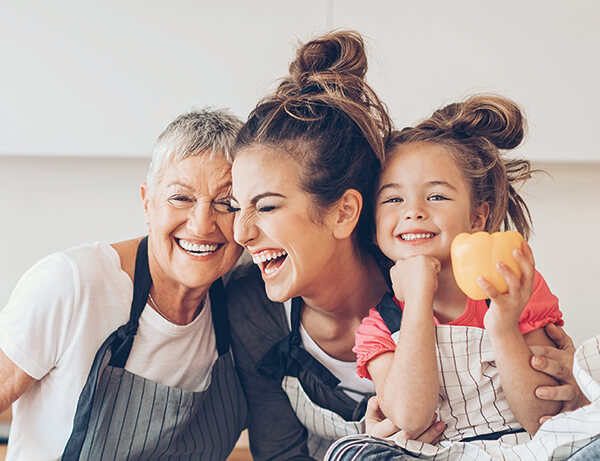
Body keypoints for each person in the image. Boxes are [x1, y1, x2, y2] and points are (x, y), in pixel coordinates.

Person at [325, 96, 600, 460]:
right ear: (373, 229)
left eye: (436, 196)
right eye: (392, 200)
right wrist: (419, 300)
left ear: (477, 218)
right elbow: (410, 417)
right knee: (349, 453)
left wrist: (503, 326)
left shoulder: (514, 286)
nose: (414, 212)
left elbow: (543, 418)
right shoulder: (379, 327)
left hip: (528, 449)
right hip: (437, 455)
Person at [0, 109, 248, 460]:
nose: (203, 225)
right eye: (181, 198)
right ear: (148, 204)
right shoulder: (72, 285)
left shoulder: (247, 298)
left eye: (228, 204)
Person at [226, 30, 417, 460]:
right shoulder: (254, 310)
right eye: (237, 207)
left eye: (268, 207)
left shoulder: (429, 290)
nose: (241, 233)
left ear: (343, 212)